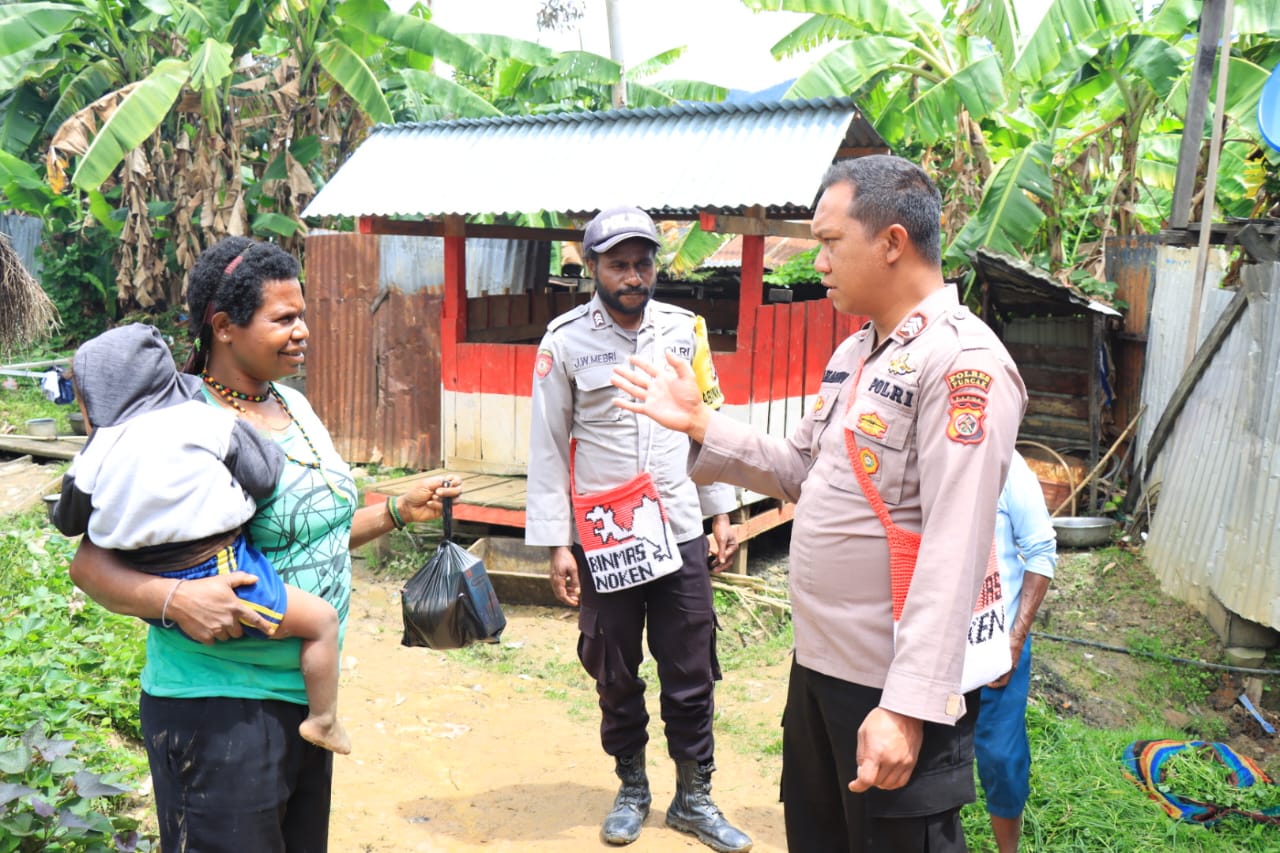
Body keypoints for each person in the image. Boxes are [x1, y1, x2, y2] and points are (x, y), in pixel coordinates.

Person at [611, 155, 1028, 852]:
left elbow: (955, 550)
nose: (818, 260)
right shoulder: (856, 355)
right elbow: (803, 469)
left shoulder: (959, 364)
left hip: (891, 686)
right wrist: (700, 424)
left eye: (831, 242)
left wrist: (906, 705)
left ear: (892, 243)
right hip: (822, 670)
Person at [66, 237, 461, 852]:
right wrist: (177, 599)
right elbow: (90, 564)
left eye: (302, 315)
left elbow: (315, 533)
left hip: (301, 697)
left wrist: (395, 514)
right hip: (217, 705)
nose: (302, 331)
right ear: (223, 326)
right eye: (283, 319)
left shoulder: (294, 405)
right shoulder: (175, 423)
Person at [525, 205, 752, 852]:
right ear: (592, 266)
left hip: (679, 525)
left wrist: (722, 511)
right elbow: (546, 447)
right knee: (614, 663)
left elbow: (704, 421)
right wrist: (557, 543)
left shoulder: (685, 332)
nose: (633, 274)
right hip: (607, 536)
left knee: (691, 663)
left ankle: (694, 795)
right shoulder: (564, 342)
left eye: (643, 261)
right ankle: (631, 785)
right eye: (619, 263)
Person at [52, 323, 350, 755]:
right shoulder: (205, 419)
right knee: (321, 621)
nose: (301, 330)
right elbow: (265, 477)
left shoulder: (98, 449)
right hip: (221, 573)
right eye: (284, 318)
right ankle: (324, 719)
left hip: (154, 577)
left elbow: (68, 516)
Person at [975, 451, 1056, 853]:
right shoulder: (920, 456)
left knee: (1002, 760)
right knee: (924, 763)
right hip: (931, 648)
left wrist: (1015, 636)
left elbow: (1041, 551)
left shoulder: (1008, 466)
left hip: (996, 645)